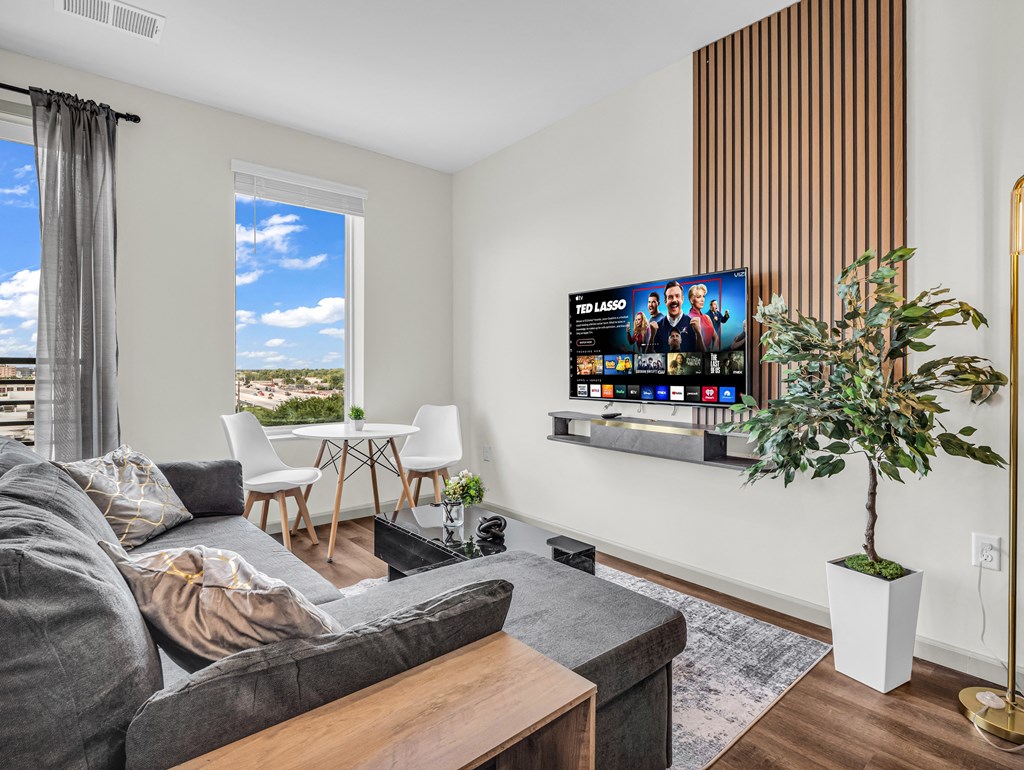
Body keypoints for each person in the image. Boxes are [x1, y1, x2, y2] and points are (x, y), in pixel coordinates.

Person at [651, 281, 697, 352]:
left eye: (677, 296)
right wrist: (652, 336)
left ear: (682, 299)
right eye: (670, 297)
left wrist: (699, 334)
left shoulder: (693, 325)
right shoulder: (657, 327)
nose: (674, 300)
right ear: (665, 301)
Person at [686, 283, 719, 351]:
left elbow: (716, 338)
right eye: (699, 297)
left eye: (703, 296)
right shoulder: (688, 319)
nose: (702, 299)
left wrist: (712, 354)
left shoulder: (707, 317)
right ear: (692, 300)